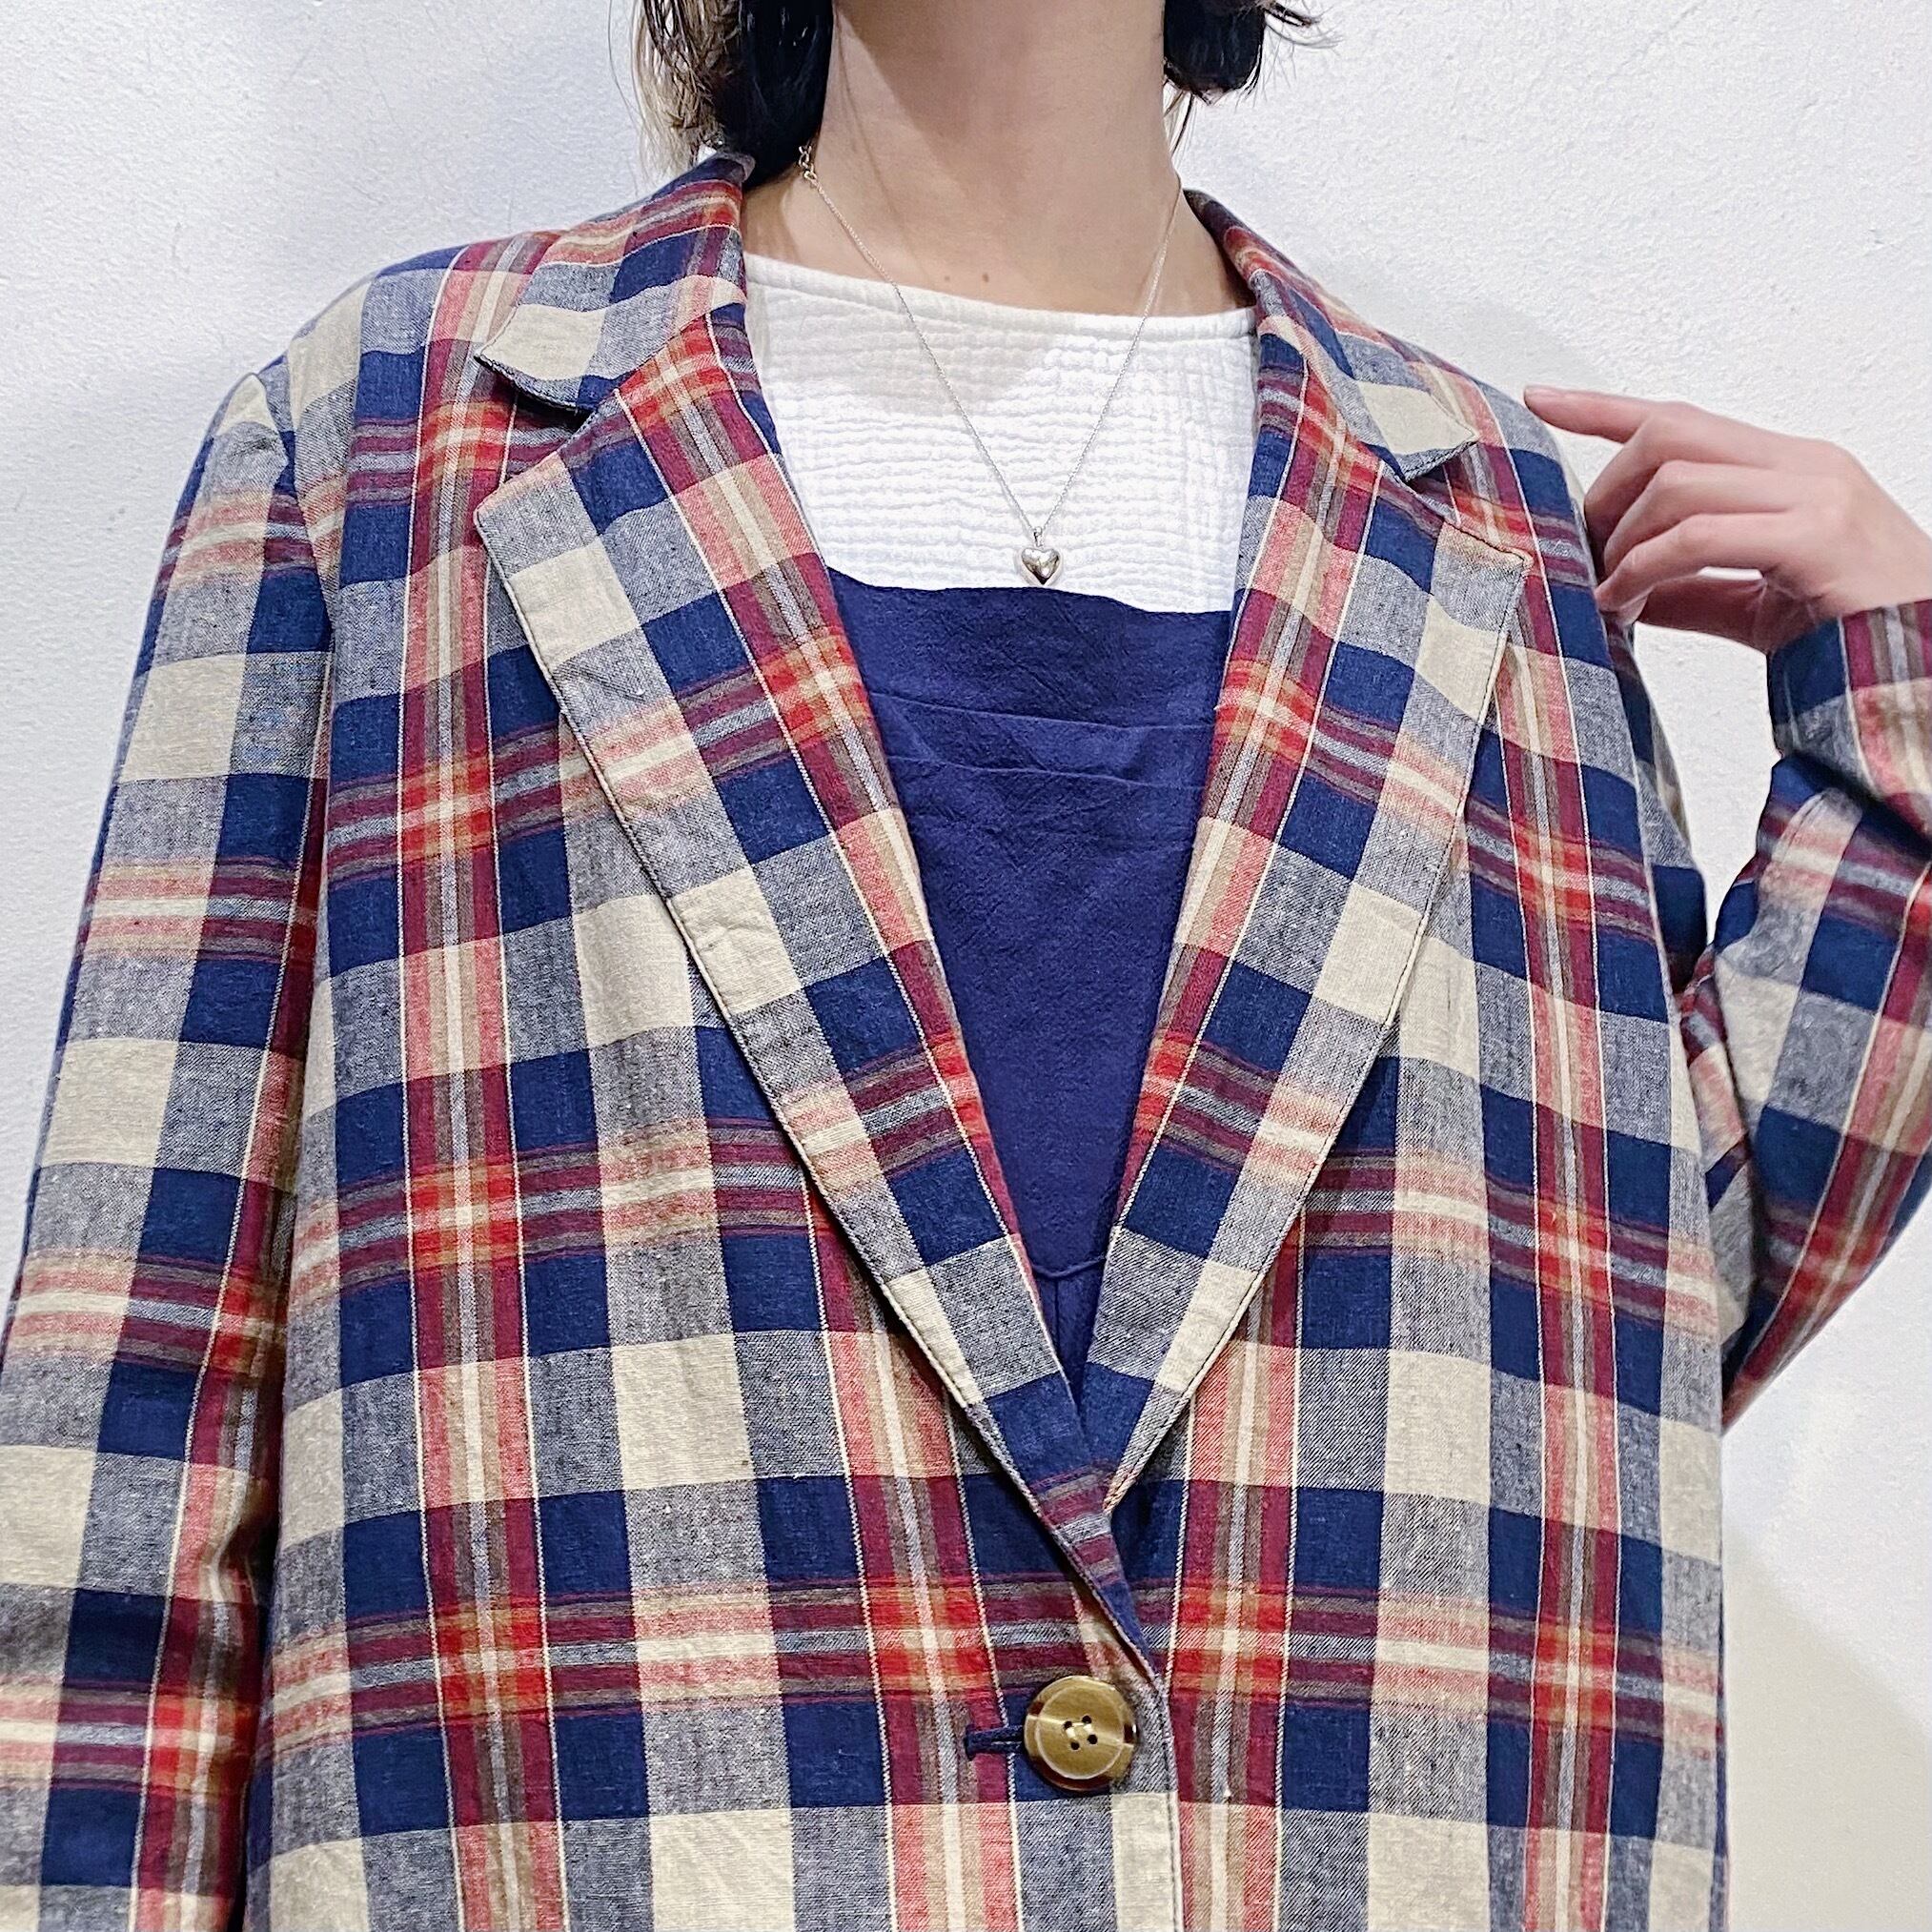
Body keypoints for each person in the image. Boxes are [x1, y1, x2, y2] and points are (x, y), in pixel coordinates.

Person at [1, 2, 1925, 1926]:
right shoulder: (400, 438)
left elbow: (1621, 1310)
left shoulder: (1467, 510)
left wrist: (1903, 720)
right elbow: (135, 1414)